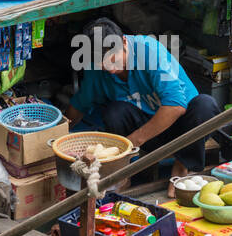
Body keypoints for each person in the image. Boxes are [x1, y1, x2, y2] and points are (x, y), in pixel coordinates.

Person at [65, 17, 220, 179]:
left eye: (113, 59)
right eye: (102, 64)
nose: (110, 69)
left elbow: (176, 106)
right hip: (148, 134)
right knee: (114, 112)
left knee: (205, 105)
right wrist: (58, 135)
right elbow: (80, 104)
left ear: (124, 42)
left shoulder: (149, 51)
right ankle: (125, 174)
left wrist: (132, 141)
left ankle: (183, 164)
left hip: (182, 130)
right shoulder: (94, 69)